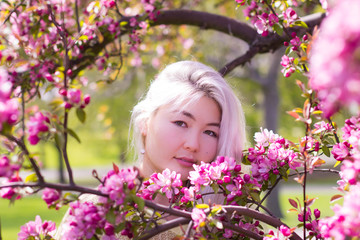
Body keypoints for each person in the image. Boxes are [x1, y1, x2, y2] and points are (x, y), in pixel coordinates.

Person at [55, 60, 246, 239]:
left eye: (211, 133)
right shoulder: (98, 211)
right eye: (181, 123)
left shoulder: (225, 221)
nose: (193, 144)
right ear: (145, 122)